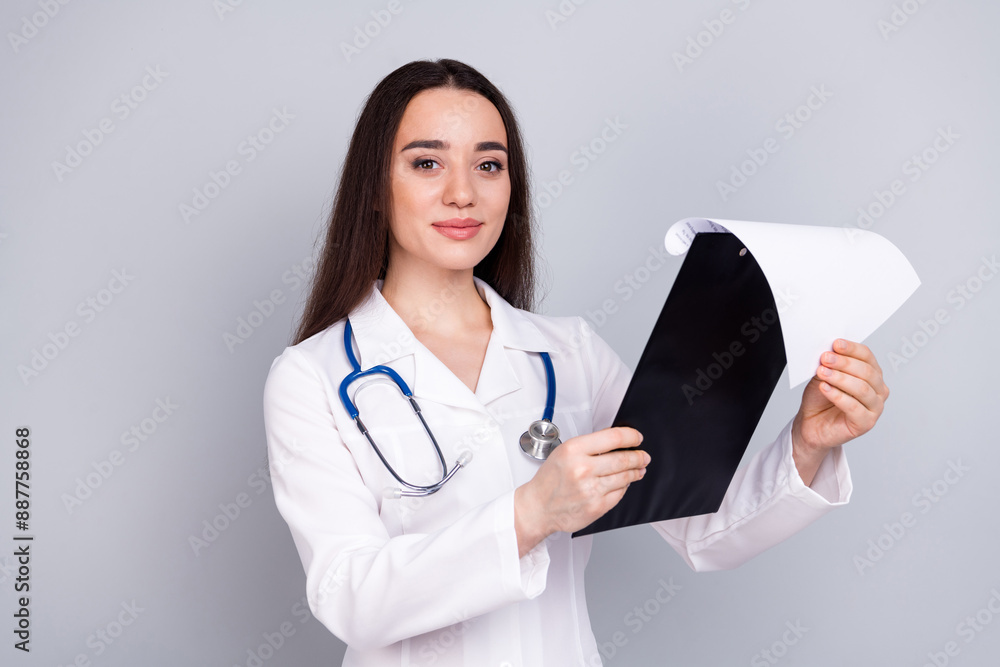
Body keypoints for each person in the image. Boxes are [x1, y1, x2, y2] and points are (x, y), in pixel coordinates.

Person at [262, 58, 889, 667]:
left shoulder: (571, 354)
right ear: (374, 187)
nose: (462, 192)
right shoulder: (312, 377)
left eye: (489, 165)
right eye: (427, 162)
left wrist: (806, 443)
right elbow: (349, 596)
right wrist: (532, 512)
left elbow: (702, 530)